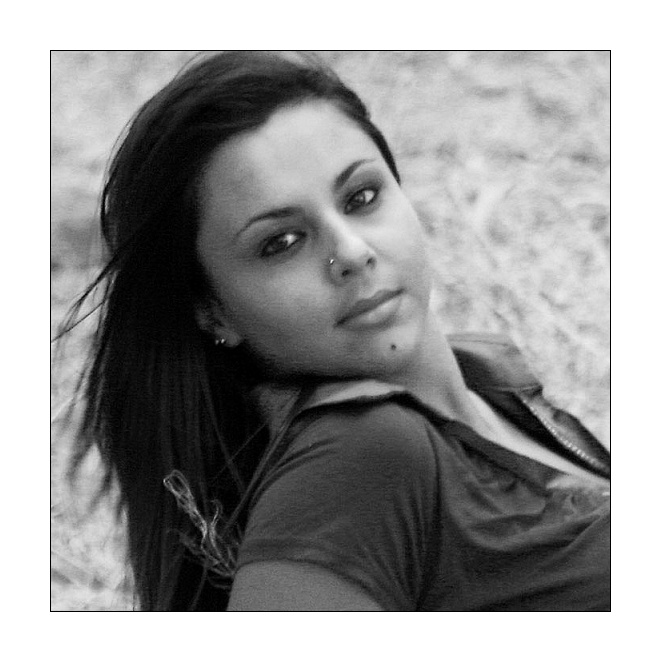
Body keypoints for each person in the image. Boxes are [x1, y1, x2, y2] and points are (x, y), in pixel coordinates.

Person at [63, 50, 610, 611]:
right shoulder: (362, 453)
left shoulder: (492, 387)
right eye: (281, 243)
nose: (351, 251)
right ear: (213, 311)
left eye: (361, 197)